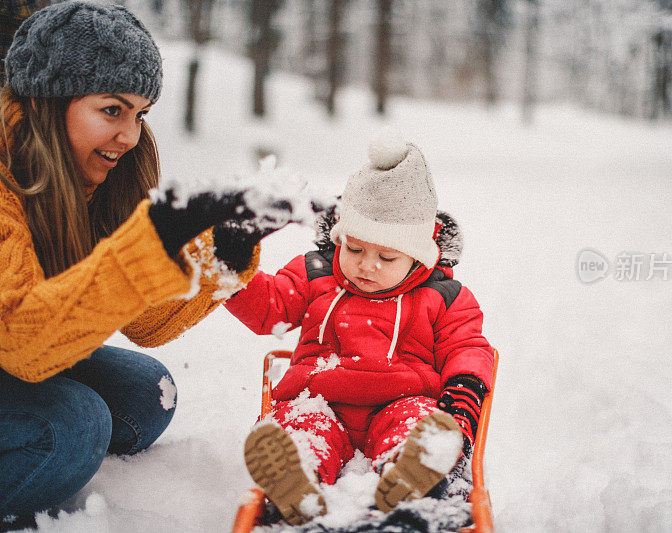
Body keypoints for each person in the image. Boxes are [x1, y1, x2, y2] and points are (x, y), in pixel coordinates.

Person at [0, 1, 285, 527]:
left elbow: (146, 323)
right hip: (13, 346)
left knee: (145, 395)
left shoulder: (85, 180)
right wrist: (144, 246)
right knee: (75, 425)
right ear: (48, 100)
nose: (129, 137)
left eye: (140, 114)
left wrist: (224, 252)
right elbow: (17, 338)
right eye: (112, 110)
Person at [225, 134, 495, 525]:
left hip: (401, 400)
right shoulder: (316, 274)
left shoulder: (443, 295)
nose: (367, 266)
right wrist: (234, 266)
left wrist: (460, 402)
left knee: (418, 423)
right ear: (338, 238)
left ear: (417, 255)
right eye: (353, 249)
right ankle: (296, 478)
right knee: (301, 423)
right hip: (321, 399)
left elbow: (467, 347)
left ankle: (413, 475)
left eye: (386, 256)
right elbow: (269, 308)